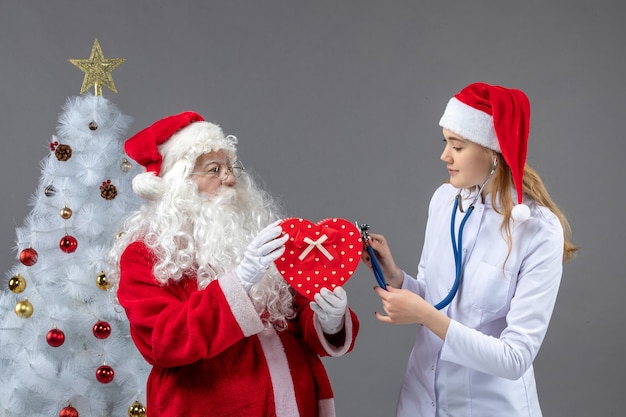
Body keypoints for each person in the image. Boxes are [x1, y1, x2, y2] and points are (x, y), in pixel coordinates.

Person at [109, 111, 359, 417]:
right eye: (214, 170)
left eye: (230, 167)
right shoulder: (144, 254)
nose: (230, 178)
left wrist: (328, 321)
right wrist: (237, 284)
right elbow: (163, 342)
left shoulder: (252, 233)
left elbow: (296, 314)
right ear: (178, 184)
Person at [361, 82, 576, 416]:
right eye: (445, 142)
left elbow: (515, 357)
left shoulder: (537, 231)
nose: (444, 156)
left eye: (457, 146)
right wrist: (396, 277)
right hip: (421, 402)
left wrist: (424, 316)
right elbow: (436, 298)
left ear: (493, 151)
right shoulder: (445, 200)